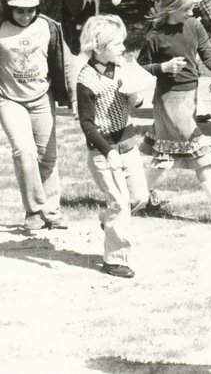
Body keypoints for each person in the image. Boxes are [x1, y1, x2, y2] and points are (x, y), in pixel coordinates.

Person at [138, 0, 211, 226]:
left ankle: (136, 198)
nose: (191, 13)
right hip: (169, 100)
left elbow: (207, 51)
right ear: (171, 8)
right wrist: (162, 68)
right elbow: (140, 67)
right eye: (186, 9)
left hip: (190, 97)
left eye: (192, 8)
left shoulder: (194, 25)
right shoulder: (155, 36)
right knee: (199, 154)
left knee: (165, 154)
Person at [76, 15, 150, 279]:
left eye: (123, 42)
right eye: (117, 44)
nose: (123, 48)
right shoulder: (87, 79)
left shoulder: (122, 67)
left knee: (139, 198)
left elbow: (135, 102)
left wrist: (137, 97)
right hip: (103, 149)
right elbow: (87, 123)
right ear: (97, 46)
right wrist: (107, 151)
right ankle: (114, 260)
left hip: (127, 143)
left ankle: (108, 222)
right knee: (119, 204)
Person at [0, 0, 74, 231]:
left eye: (30, 9)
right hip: (9, 99)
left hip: (42, 97)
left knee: (47, 156)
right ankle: (33, 210)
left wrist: (71, 96)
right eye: (19, 10)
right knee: (24, 151)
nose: (25, 15)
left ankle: (52, 212)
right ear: (8, 7)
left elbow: (64, 63)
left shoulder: (49, 28)